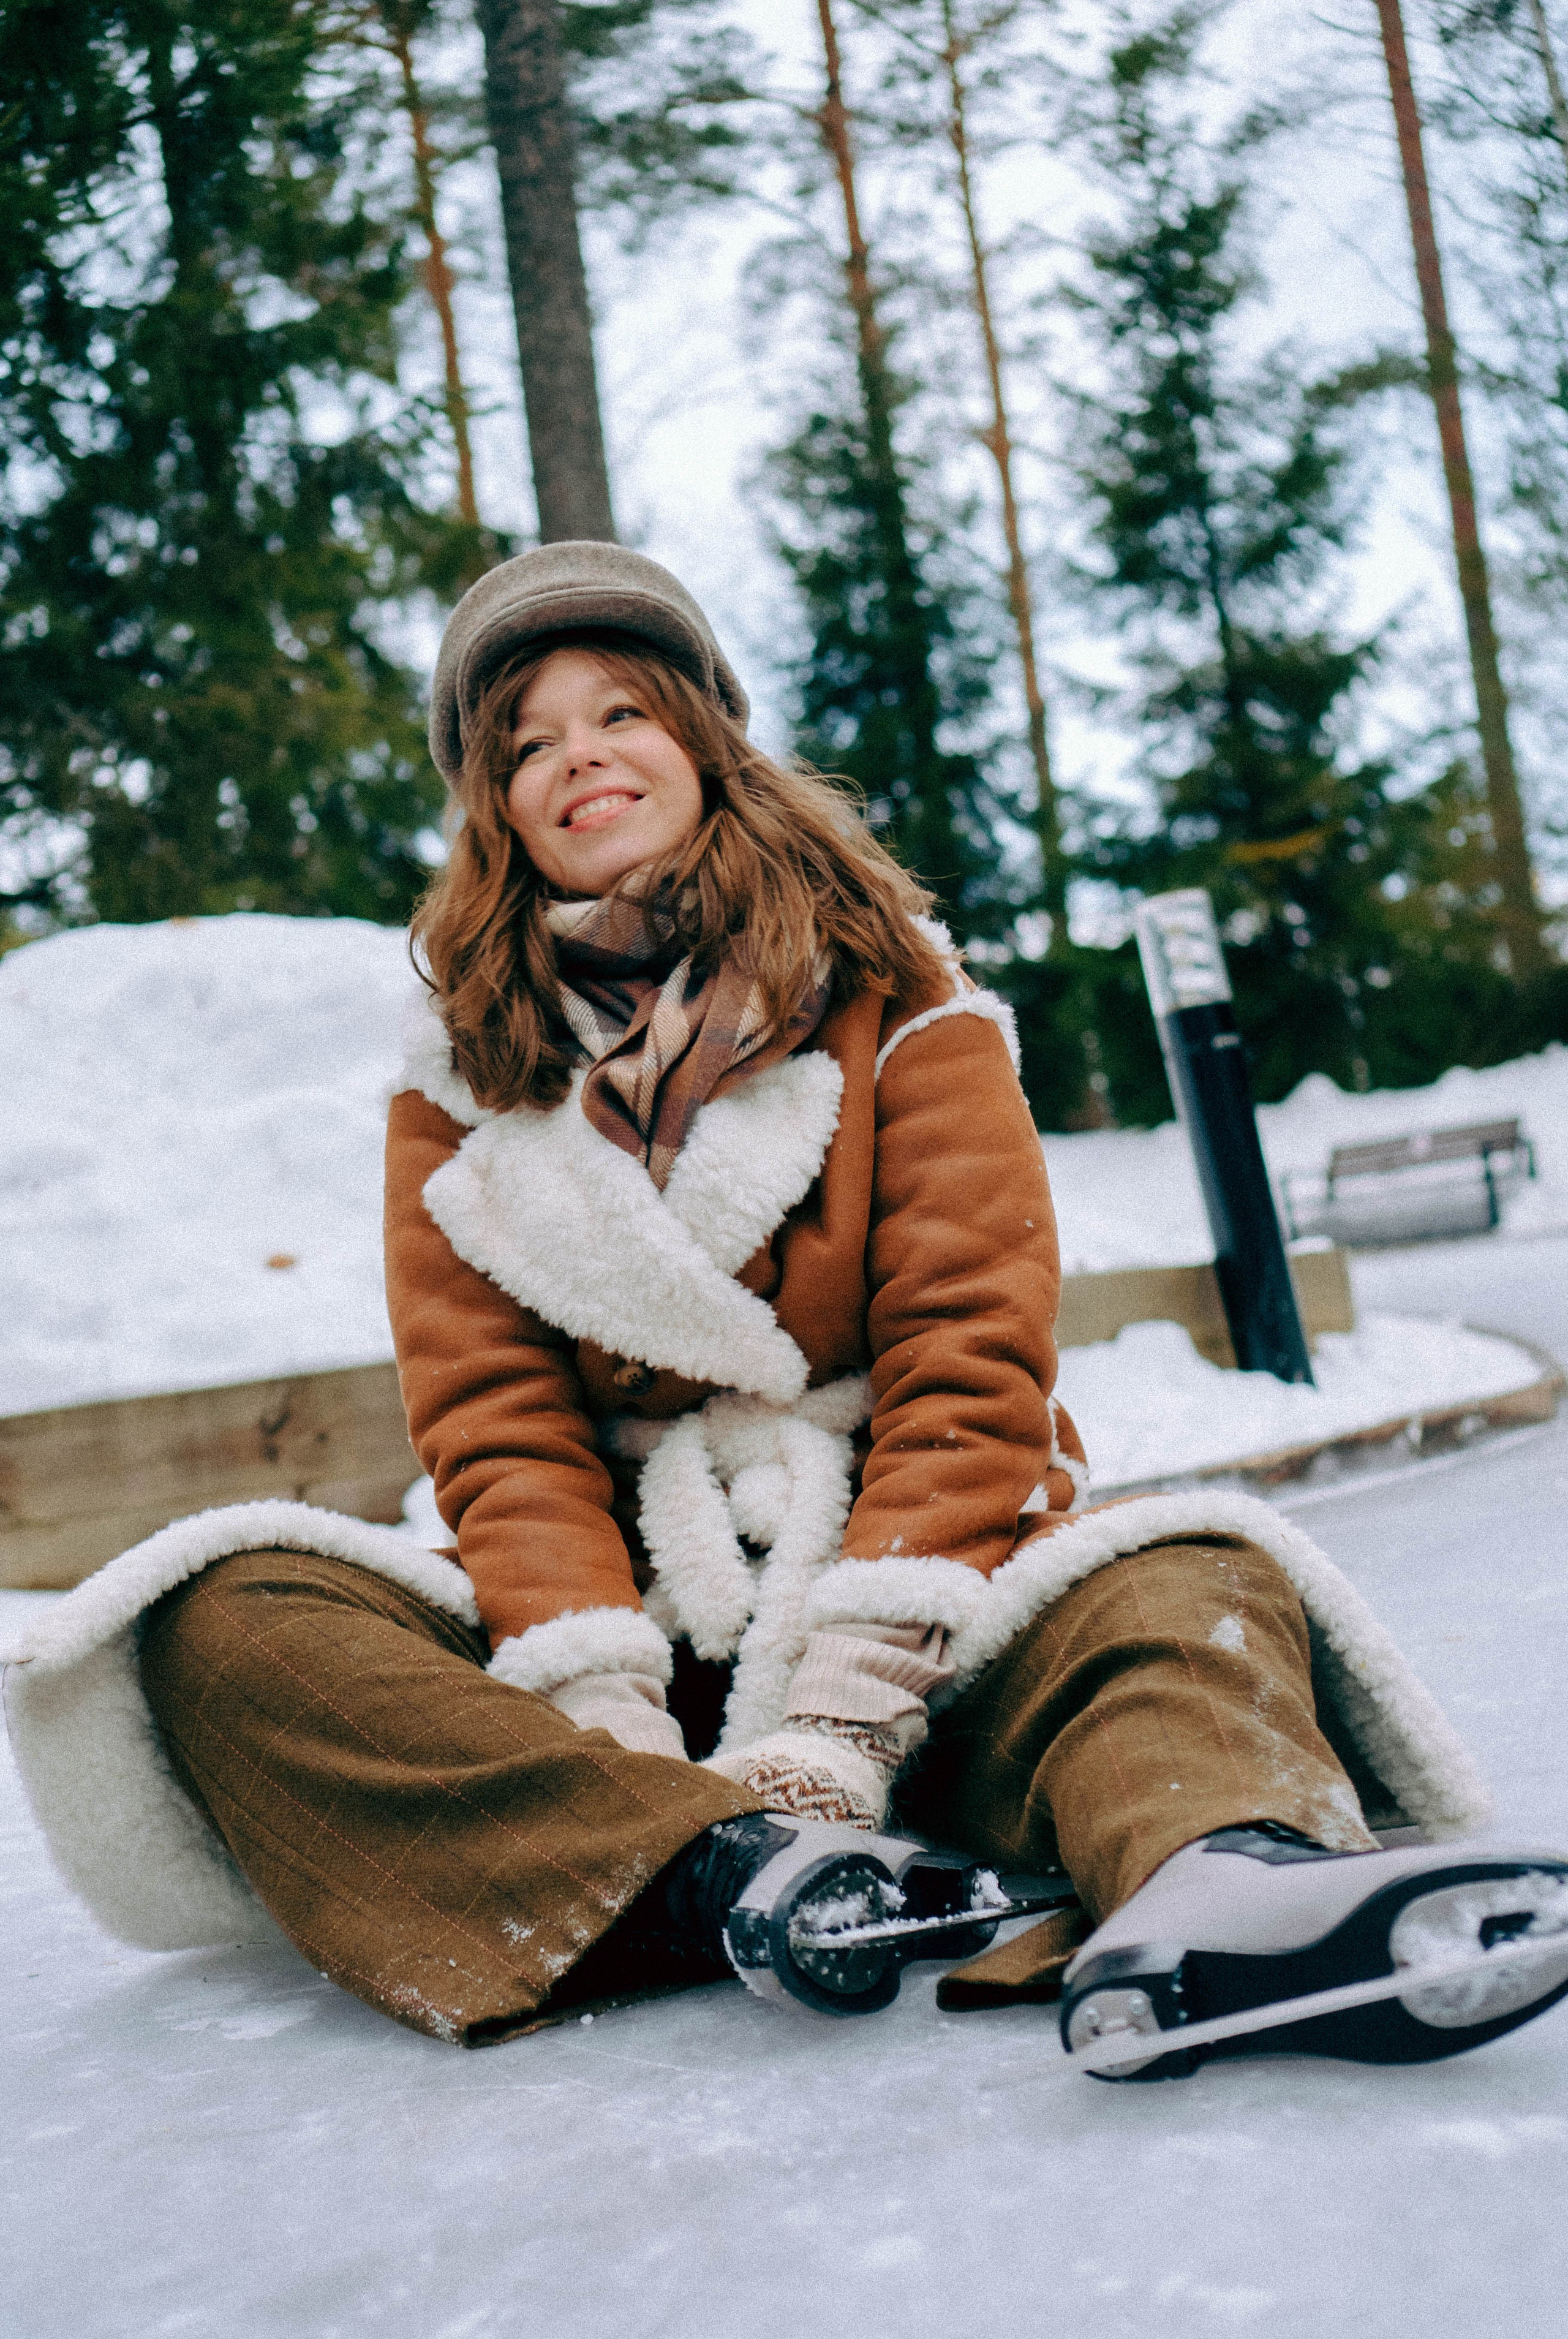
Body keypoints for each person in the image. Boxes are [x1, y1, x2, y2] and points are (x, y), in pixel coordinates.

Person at [9, 543, 1566, 2077]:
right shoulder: (459, 1090)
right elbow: (497, 1434)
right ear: (494, 808)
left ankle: (1223, 1886)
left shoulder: (905, 1004)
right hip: (634, 1631)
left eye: (616, 711)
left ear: (703, 734)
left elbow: (969, 1368)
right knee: (222, 1611)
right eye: (527, 743)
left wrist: (844, 1720)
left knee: (1182, 1576)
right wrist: (605, 1706)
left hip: (913, 1602)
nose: (579, 759)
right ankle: (696, 1872)